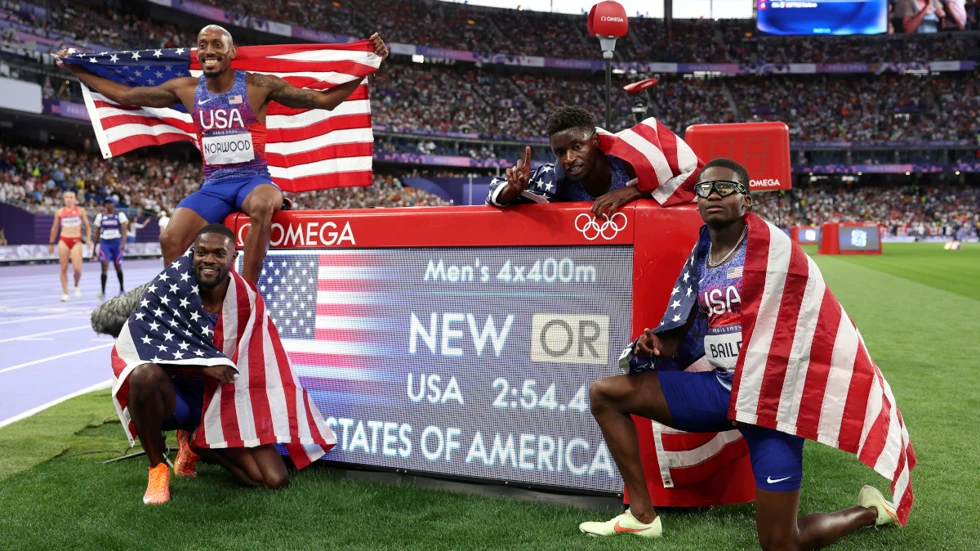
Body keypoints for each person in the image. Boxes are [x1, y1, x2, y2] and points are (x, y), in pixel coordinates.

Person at [579, 158, 914, 548]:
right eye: (705, 189)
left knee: (780, 544)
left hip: (771, 405)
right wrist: (656, 342)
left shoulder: (777, 252)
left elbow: (816, 321)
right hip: (722, 390)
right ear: (698, 201)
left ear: (746, 201)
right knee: (606, 393)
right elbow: (680, 330)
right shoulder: (700, 257)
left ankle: (872, 510)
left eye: (726, 188)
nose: (714, 195)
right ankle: (641, 516)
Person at [55, 25, 389, 283]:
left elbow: (323, 101)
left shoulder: (259, 85)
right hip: (214, 187)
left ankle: (249, 291)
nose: (209, 50)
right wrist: (77, 70)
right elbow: (128, 96)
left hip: (253, 180)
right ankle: (183, 305)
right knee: (170, 236)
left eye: (217, 45)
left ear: (231, 53)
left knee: (262, 205)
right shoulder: (185, 89)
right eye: (203, 45)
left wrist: (368, 65)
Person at [109, 224, 335, 505]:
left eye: (218, 253)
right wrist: (203, 366)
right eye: (201, 252)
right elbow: (139, 346)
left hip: (221, 398)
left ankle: (194, 444)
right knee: (143, 376)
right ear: (192, 254)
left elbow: (260, 362)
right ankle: (157, 467)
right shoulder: (169, 288)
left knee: (272, 480)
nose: (208, 260)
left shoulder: (247, 299)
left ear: (233, 256)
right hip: (174, 397)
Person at [486, 105, 700, 217]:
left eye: (577, 147)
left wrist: (636, 191)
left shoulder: (632, 161)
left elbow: (697, 175)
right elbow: (495, 191)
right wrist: (513, 190)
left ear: (595, 141)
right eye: (560, 152)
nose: (569, 159)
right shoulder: (555, 177)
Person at [48, 190, 91, 301]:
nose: (69, 199)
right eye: (67, 197)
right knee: (63, 268)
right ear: (64, 199)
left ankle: (76, 285)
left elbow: (87, 226)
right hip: (64, 240)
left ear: (75, 199)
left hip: (76, 240)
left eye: (71, 197)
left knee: (77, 269)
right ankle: (65, 293)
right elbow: (54, 228)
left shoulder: (80, 211)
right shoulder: (59, 212)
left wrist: (89, 240)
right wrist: (51, 243)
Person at [92, 198, 129, 299]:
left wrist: (123, 242)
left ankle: (122, 289)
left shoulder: (120, 215)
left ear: (114, 204)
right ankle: (103, 292)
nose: (108, 205)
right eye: (107, 203)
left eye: (110, 203)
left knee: (118, 266)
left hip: (116, 244)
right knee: (104, 266)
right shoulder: (100, 216)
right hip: (105, 244)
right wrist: (94, 248)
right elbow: (97, 233)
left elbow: (124, 230)